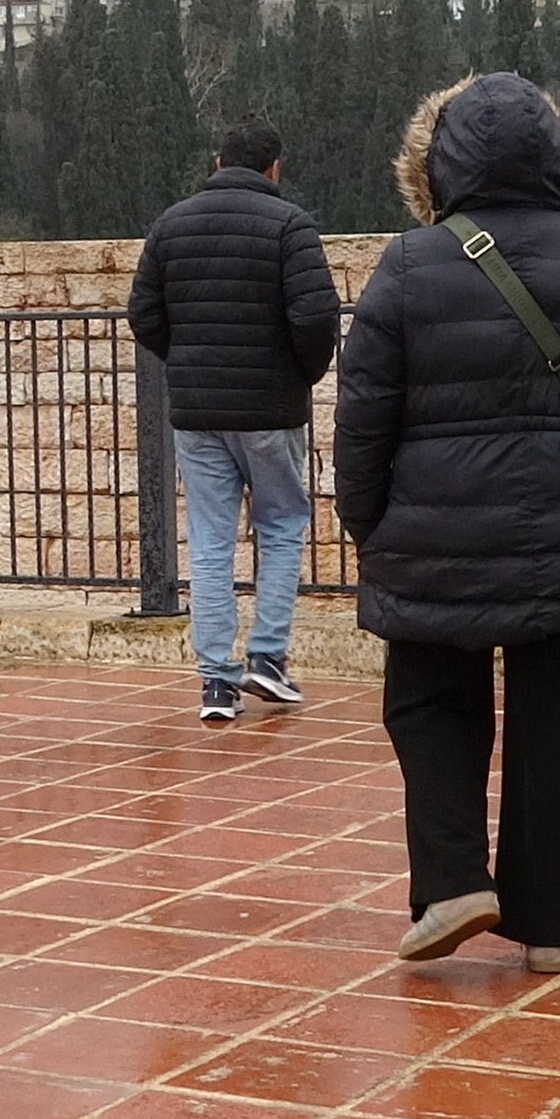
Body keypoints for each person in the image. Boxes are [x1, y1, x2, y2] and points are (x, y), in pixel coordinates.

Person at [335, 73, 560, 975]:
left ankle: (454, 881)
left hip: (430, 532)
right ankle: (552, 926)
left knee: (428, 706)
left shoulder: (409, 264)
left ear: (436, 165)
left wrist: (369, 521)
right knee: (557, 726)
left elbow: (364, 415)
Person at [129, 114, 340, 724]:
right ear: (274, 168)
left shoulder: (171, 224)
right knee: (281, 524)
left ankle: (216, 684)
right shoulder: (291, 226)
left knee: (210, 539)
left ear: (218, 163)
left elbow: (144, 314)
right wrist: (300, 375)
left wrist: (186, 361)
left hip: (197, 410)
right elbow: (315, 320)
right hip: (270, 406)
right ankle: (267, 657)